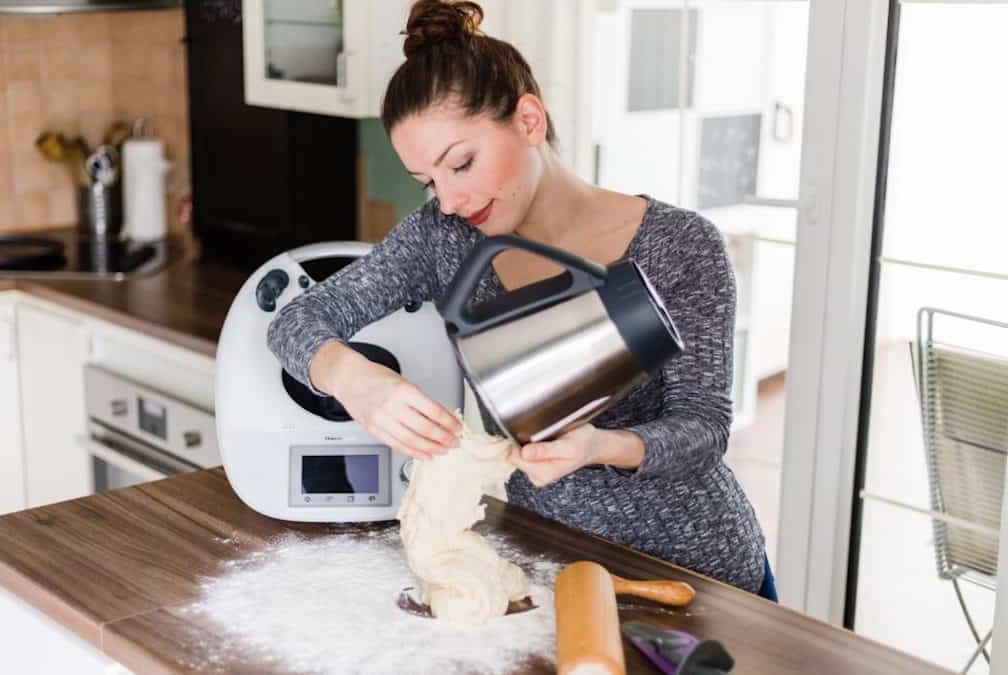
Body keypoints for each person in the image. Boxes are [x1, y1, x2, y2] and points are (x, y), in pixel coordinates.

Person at [268, 0, 775, 600]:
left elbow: (705, 428)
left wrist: (598, 446)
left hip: (696, 572)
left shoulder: (679, 244)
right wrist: (355, 379)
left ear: (529, 120)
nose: (450, 199)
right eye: (429, 181)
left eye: (462, 163)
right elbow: (295, 320)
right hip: (554, 566)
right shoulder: (443, 238)